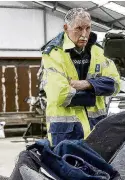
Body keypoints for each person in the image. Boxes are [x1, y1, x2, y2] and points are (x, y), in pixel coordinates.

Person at [40, 8, 120, 146]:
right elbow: (61, 95)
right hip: (66, 132)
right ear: (66, 28)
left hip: (97, 128)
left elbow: (115, 84)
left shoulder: (98, 51)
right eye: (79, 28)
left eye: (88, 28)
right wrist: (95, 93)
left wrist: (87, 84)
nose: (84, 34)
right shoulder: (53, 54)